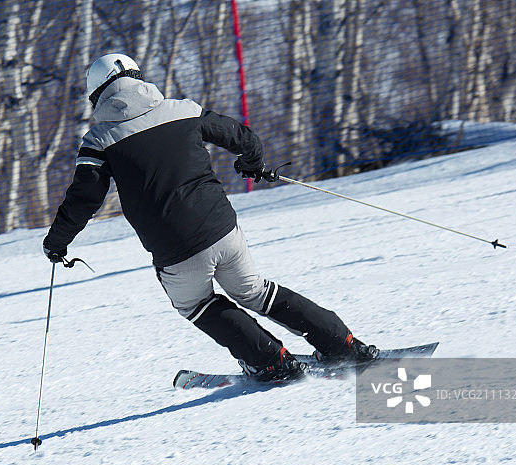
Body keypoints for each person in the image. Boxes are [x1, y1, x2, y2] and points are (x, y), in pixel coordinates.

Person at [42, 53, 376, 381]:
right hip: (222, 230)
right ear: (139, 79)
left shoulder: (99, 141)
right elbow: (243, 137)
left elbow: (84, 199)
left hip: (176, 251)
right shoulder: (184, 110)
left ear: (97, 97)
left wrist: (56, 243)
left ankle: (272, 361)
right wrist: (252, 163)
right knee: (256, 292)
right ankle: (343, 345)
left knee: (196, 304)